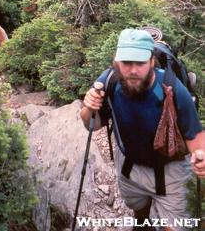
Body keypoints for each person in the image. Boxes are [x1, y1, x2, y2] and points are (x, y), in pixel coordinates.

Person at [81, 28, 205, 230]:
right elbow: (91, 125)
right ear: (116, 60)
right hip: (129, 166)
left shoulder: (173, 89)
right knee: (138, 209)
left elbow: (196, 137)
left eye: (140, 63)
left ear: (151, 62)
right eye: (126, 63)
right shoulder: (109, 81)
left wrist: (201, 158)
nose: (132, 70)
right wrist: (88, 107)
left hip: (171, 170)